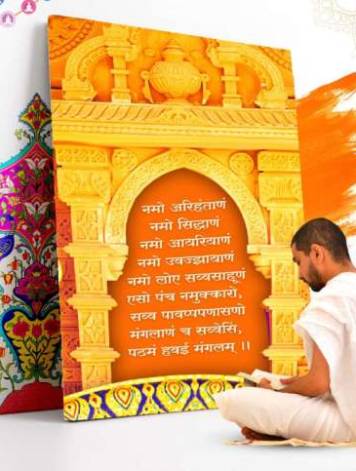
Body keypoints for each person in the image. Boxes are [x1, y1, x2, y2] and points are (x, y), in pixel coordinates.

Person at [214, 218, 356, 442]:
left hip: (350, 423)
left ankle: (277, 427)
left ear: (317, 254)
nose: (299, 273)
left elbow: (319, 383)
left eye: (299, 261)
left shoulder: (331, 298)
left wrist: (275, 392)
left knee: (234, 400)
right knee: (273, 381)